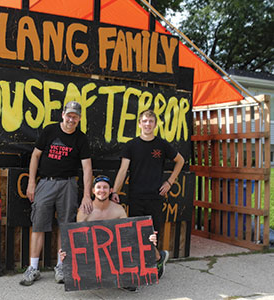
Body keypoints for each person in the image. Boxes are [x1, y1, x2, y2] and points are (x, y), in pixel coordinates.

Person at [20, 101, 93, 286]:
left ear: (80, 118)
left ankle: (61, 266)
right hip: (46, 182)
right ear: (62, 114)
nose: (71, 119)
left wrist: (86, 195)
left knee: (66, 225)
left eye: (75, 116)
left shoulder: (81, 138)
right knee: (38, 224)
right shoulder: (50, 131)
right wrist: (31, 182)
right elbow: (35, 155)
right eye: (69, 115)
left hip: (68, 184)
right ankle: (33, 268)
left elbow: (87, 167)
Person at [111, 109, 185, 279]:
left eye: (151, 121)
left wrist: (169, 182)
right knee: (136, 234)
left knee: (152, 234)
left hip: (155, 197)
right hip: (135, 197)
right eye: (144, 121)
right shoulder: (131, 145)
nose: (147, 124)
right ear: (139, 124)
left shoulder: (162, 144)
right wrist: (115, 191)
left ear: (155, 124)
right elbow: (123, 170)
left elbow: (180, 161)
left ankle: (155, 261)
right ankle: (151, 261)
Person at [59, 175, 158, 292]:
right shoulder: (85, 211)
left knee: (153, 252)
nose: (102, 190)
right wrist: (67, 253)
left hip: (113, 250)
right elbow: (79, 242)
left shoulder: (118, 210)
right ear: (93, 191)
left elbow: (127, 236)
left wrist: (148, 239)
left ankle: (130, 277)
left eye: (105, 188)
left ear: (111, 190)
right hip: (94, 253)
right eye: (99, 187)